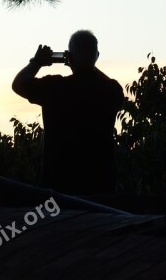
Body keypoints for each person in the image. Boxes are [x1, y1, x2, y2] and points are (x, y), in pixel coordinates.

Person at [11, 30, 124, 195]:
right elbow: (109, 87)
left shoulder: (55, 88)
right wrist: (88, 64)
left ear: (69, 57)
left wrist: (36, 62)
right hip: (101, 186)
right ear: (97, 56)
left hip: (60, 188)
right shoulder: (111, 90)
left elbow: (19, 84)